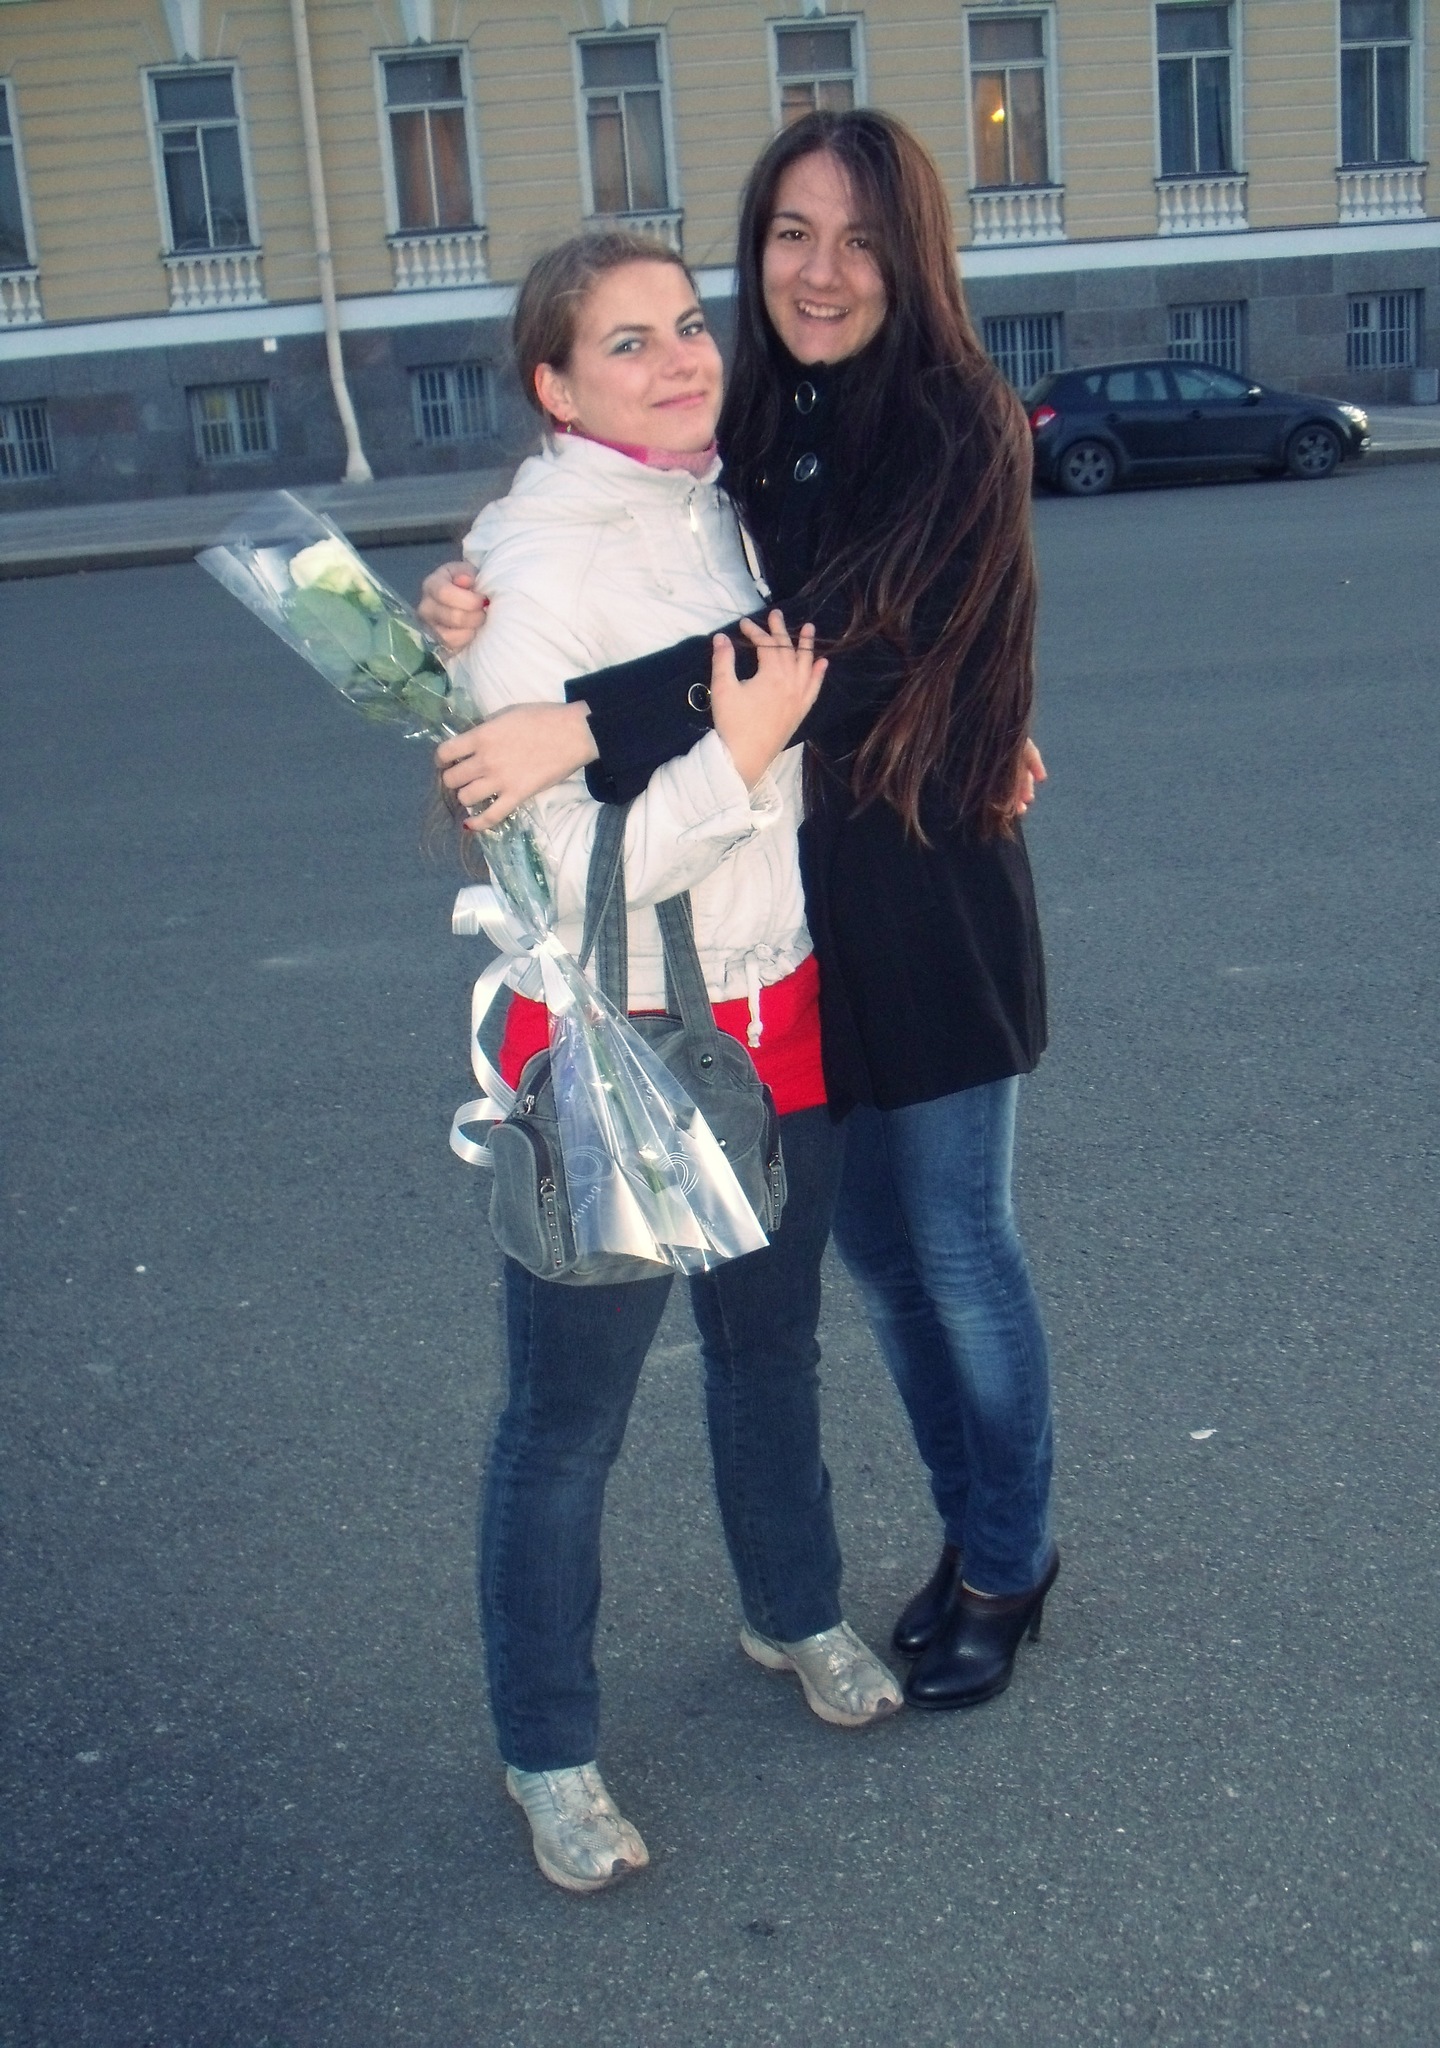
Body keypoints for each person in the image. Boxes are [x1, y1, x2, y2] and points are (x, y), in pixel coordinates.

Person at [429, 111, 1058, 1721]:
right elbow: (660, 576)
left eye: (859, 238)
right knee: (881, 1267)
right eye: (790, 234)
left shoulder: (952, 420)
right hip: (796, 919)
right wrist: (469, 616)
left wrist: (573, 722)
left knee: (956, 1251)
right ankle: (953, 1536)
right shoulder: (750, 425)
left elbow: (835, 653)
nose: (821, 271)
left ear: (912, 253)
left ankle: (1006, 1562)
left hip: (929, 894)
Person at [457, 229, 902, 1897]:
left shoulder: (722, 508)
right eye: (627, 343)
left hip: (774, 1011)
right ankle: (547, 1748)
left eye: (688, 325)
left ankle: (792, 1608)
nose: (681, 359)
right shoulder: (528, 570)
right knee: (565, 1424)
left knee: (770, 1350)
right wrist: (740, 757)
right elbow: (563, 868)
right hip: (619, 1040)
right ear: (556, 386)